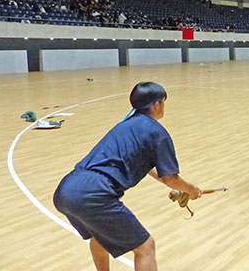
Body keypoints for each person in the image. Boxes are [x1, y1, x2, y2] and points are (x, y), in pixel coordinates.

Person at [53, 82, 202, 271]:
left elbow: (152, 170)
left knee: (100, 237)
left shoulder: (123, 125)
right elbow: (170, 178)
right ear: (156, 105)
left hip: (67, 189)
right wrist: (191, 190)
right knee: (145, 247)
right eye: (163, 102)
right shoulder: (158, 133)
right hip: (93, 193)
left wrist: (182, 188)